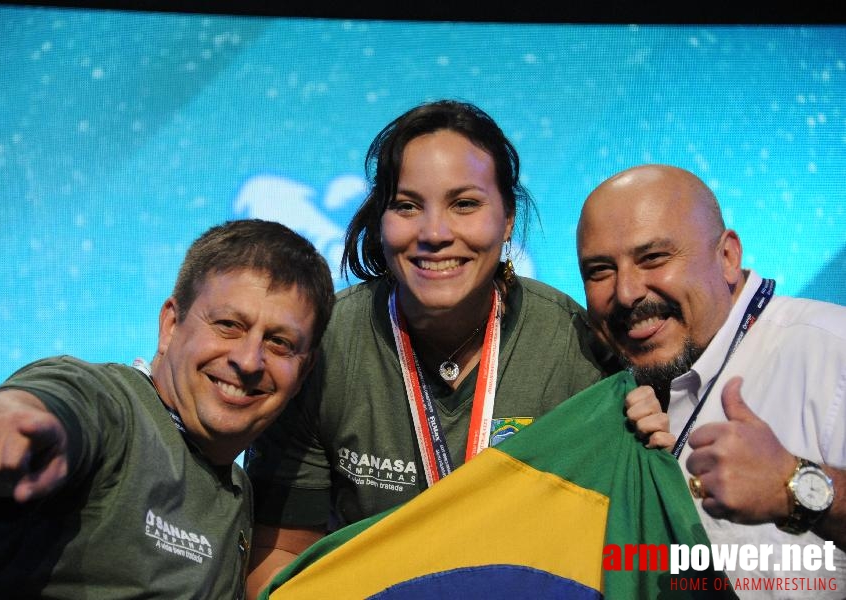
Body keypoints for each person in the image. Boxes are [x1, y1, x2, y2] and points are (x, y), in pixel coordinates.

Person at [244, 100, 642, 597]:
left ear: (508, 218)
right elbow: (281, 555)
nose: (434, 233)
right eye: (407, 205)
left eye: (465, 204)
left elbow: (620, 548)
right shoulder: (328, 344)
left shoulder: (573, 347)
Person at [0, 219, 335, 599]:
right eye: (229, 324)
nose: (249, 360)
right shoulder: (116, 408)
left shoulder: (237, 490)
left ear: (304, 373)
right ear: (170, 324)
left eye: (279, 343)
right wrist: (6, 425)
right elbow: (51, 401)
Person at [576, 164, 846, 596]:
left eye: (653, 258)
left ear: (727, 257)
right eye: (600, 270)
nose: (626, 292)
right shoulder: (614, 394)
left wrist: (792, 486)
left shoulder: (832, 350)